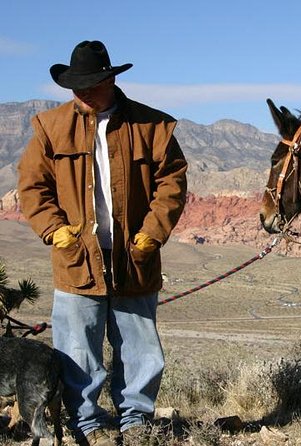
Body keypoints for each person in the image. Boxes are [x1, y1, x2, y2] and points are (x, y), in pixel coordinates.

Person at [17, 40, 188, 446]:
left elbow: (172, 184)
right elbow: (31, 187)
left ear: (110, 79)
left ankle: (135, 422)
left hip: (135, 257)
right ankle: (86, 427)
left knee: (141, 348)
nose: (83, 92)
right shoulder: (49, 127)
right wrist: (53, 229)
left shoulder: (154, 127)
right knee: (77, 350)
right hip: (77, 259)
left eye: (91, 83)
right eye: (77, 85)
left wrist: (152, 232)